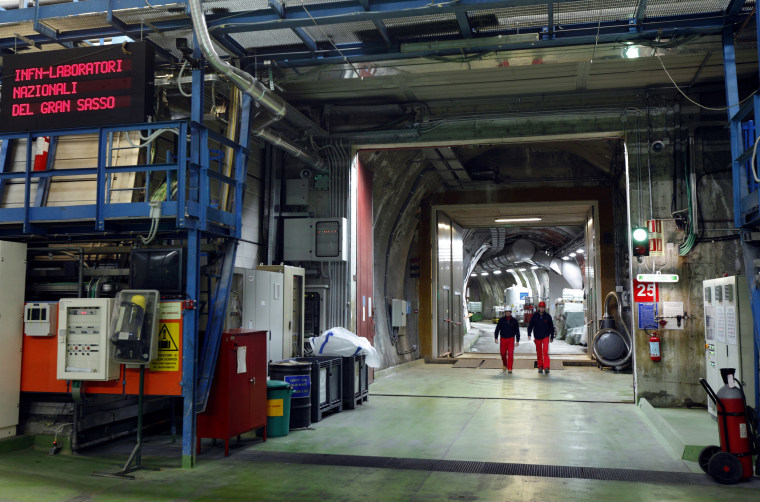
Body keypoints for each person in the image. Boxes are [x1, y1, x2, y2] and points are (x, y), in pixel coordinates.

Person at [527, 301, 555, 374]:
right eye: (540, 307)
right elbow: (530, 325)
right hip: (537, 337)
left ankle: (546, 367)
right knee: (539, 352)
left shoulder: (548, 317)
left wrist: (552, 337)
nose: (542, 309)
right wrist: (529, 334)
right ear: (539, 308)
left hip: (545, 336)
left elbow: (551, 327)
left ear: (544, 308)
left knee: (545, 352)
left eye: (543, 307)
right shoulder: (535, 316)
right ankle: (540, 367)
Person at [494, 307, 520, 373]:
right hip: (503, 339)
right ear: (505, 312)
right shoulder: (501, 320)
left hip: (511, 339)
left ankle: (510, 368)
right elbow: (497, 329)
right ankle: (504, 364)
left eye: (509, 311)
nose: (507, 312)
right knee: (503, 353)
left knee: (510, 354)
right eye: (506, 311)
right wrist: (496, 338)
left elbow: (517, 331)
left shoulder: (514, 321)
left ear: (511, 312)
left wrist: (517, 340)